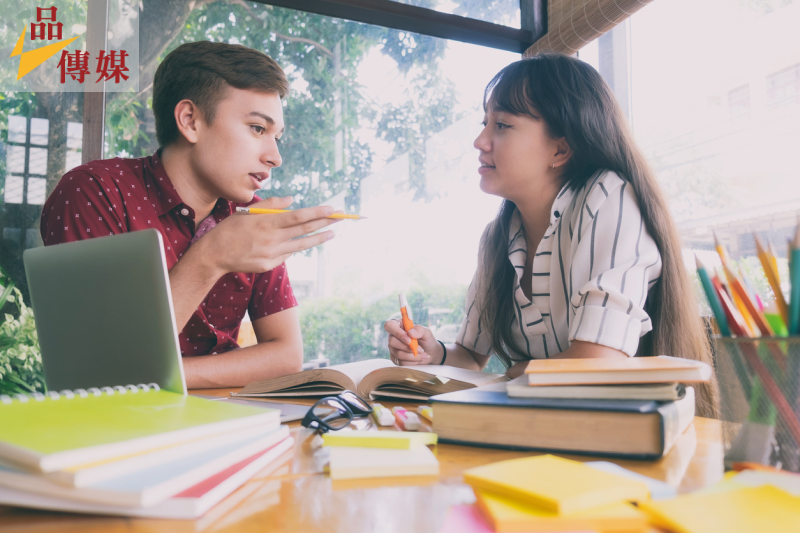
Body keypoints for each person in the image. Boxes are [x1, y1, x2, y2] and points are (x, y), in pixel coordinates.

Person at [384, 53, 719, 417]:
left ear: (560, 148)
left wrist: (515, 371)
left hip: (620, 434)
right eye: (485, 123)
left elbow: (597, 362)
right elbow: (471, 357)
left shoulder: (607, 197)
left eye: (502, 125)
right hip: (542, 429)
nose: (480, 141)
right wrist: (434, 353)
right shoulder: (496, 237)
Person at [41, 41, 340, 389]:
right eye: (258, 128)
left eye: (277, 137)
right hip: (115, 429)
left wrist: (164, 376)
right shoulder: (94, 192)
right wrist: (212, 256)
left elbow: (286, 355)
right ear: (190, 120)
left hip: (222, 419)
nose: (275, 156)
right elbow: (97, 370)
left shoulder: (250, 215)